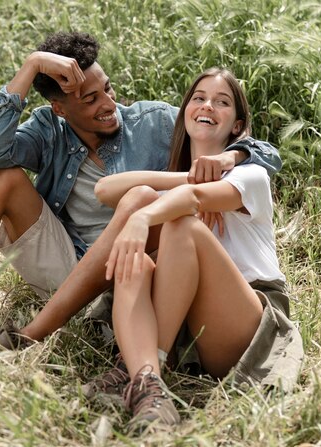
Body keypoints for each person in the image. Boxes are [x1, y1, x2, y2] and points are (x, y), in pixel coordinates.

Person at [0, 32, 283, 347]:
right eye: (90, 99)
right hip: (70, 266)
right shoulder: (47, 131)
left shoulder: (152, 122)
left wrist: (230, 159)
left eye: (108, 89)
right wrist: (32, 65)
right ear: (60, 109)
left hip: (136, 266)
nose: (109, 104)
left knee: (141, 202)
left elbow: (250, 146)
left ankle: (48, 331)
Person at [83, 68, 303, 430]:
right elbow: (106, 189)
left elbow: (196, 198)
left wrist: (143, 219)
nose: (208, 105)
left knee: (181, 222)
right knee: (136, 261)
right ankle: (150, 388)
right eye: (199, 98)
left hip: (241, 320)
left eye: (222, 102)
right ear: (185, 111)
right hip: (185, 327)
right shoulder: (179, 186)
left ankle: (137, 368)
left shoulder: (250, 175)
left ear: (237, 126)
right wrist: (190, 176)